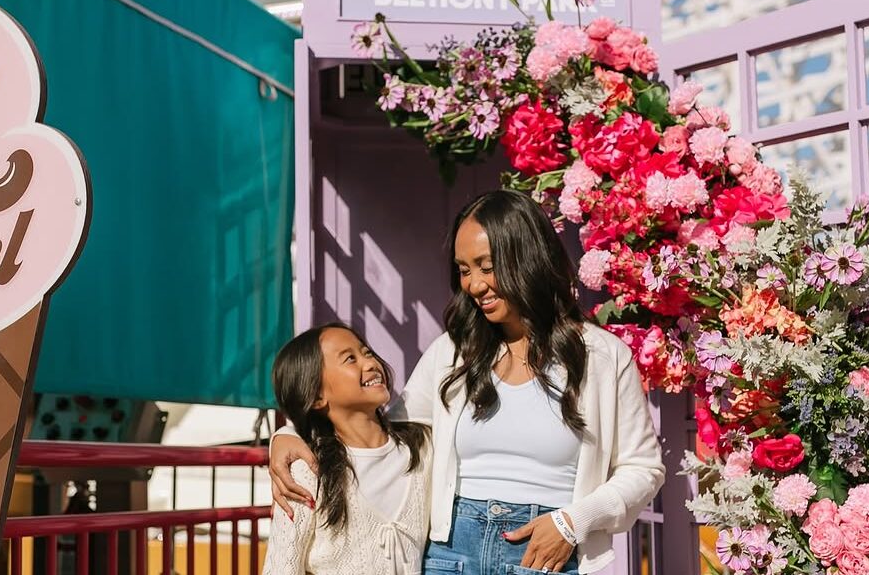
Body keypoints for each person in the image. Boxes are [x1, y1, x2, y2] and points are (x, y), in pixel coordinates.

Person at [270, 190, 665, 575]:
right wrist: (291, 436)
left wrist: (572, 522)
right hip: (450, 555)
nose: (474, 285)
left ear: (526, 257)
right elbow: (383, 430)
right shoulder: (452, 352)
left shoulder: (602, 356)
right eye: (464, 270)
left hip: (549, 557)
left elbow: (643, 469)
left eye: (486, 266)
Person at [263, 322, 430, 575]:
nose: (370, 363)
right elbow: (281, 567)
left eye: (367, 352)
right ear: (317, 396)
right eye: (350, 359)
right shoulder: (306, 472)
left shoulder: (423, 450)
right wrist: (282, 435)